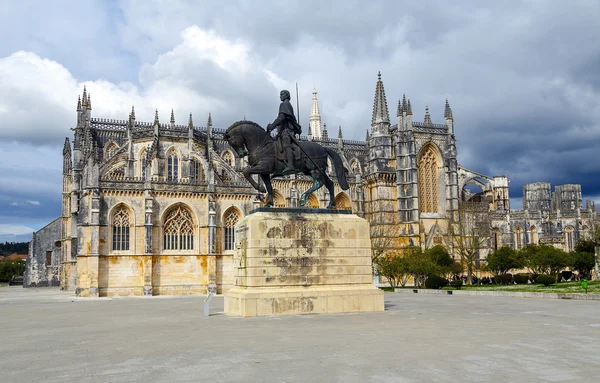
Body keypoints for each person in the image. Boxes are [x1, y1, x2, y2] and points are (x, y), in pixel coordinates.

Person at [266, 90, 302, 174]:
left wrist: (272, 126)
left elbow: (281, 117)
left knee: (286, 145)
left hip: (287, 131)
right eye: (280, 94)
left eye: (282, 94)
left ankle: (290, 165)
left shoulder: (284, 104)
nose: (280, 96)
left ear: (286, 95)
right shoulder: (287, 105)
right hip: (283, 130)